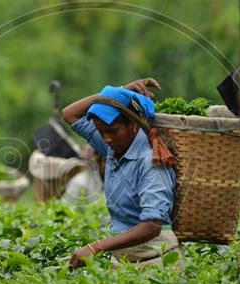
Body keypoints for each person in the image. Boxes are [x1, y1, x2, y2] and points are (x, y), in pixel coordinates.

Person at [62, 78, 180, 268]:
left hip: (157, 260)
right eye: (101, 132)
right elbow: (69, 114)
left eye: (113, 131)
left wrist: (95, 247)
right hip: (124, 260)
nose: (107, 138)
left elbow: (152, 226)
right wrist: (117, 93)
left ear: (133, 125)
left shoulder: (151, 159)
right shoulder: (113, 148)